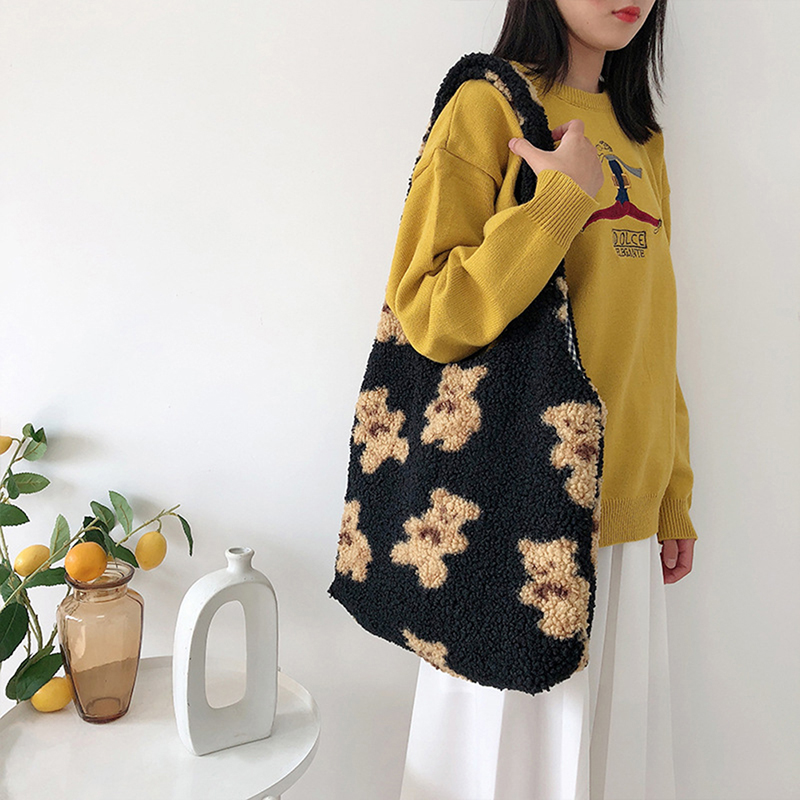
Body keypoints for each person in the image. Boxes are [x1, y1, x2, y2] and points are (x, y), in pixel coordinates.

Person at [384, 1, 698, 798]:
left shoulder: (642, 138)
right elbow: (428, 313)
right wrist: (558, 205)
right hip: (513, 526)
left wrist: (671, 491)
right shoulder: (486, 108)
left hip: (622, 522)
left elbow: (653, 330)